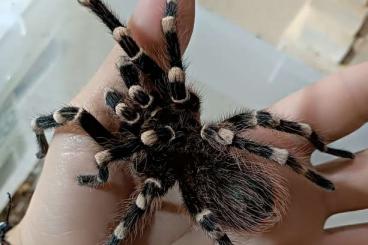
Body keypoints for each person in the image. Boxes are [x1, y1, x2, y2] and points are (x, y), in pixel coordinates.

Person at [7, 0, 368, 244]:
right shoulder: (170, 136)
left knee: (209, 143)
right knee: (231, 131)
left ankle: (310, 163)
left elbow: (163, 62)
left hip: (207, 168)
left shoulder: (155, 145)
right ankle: (311, 164)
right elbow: (168, 67)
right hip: (207, 163)